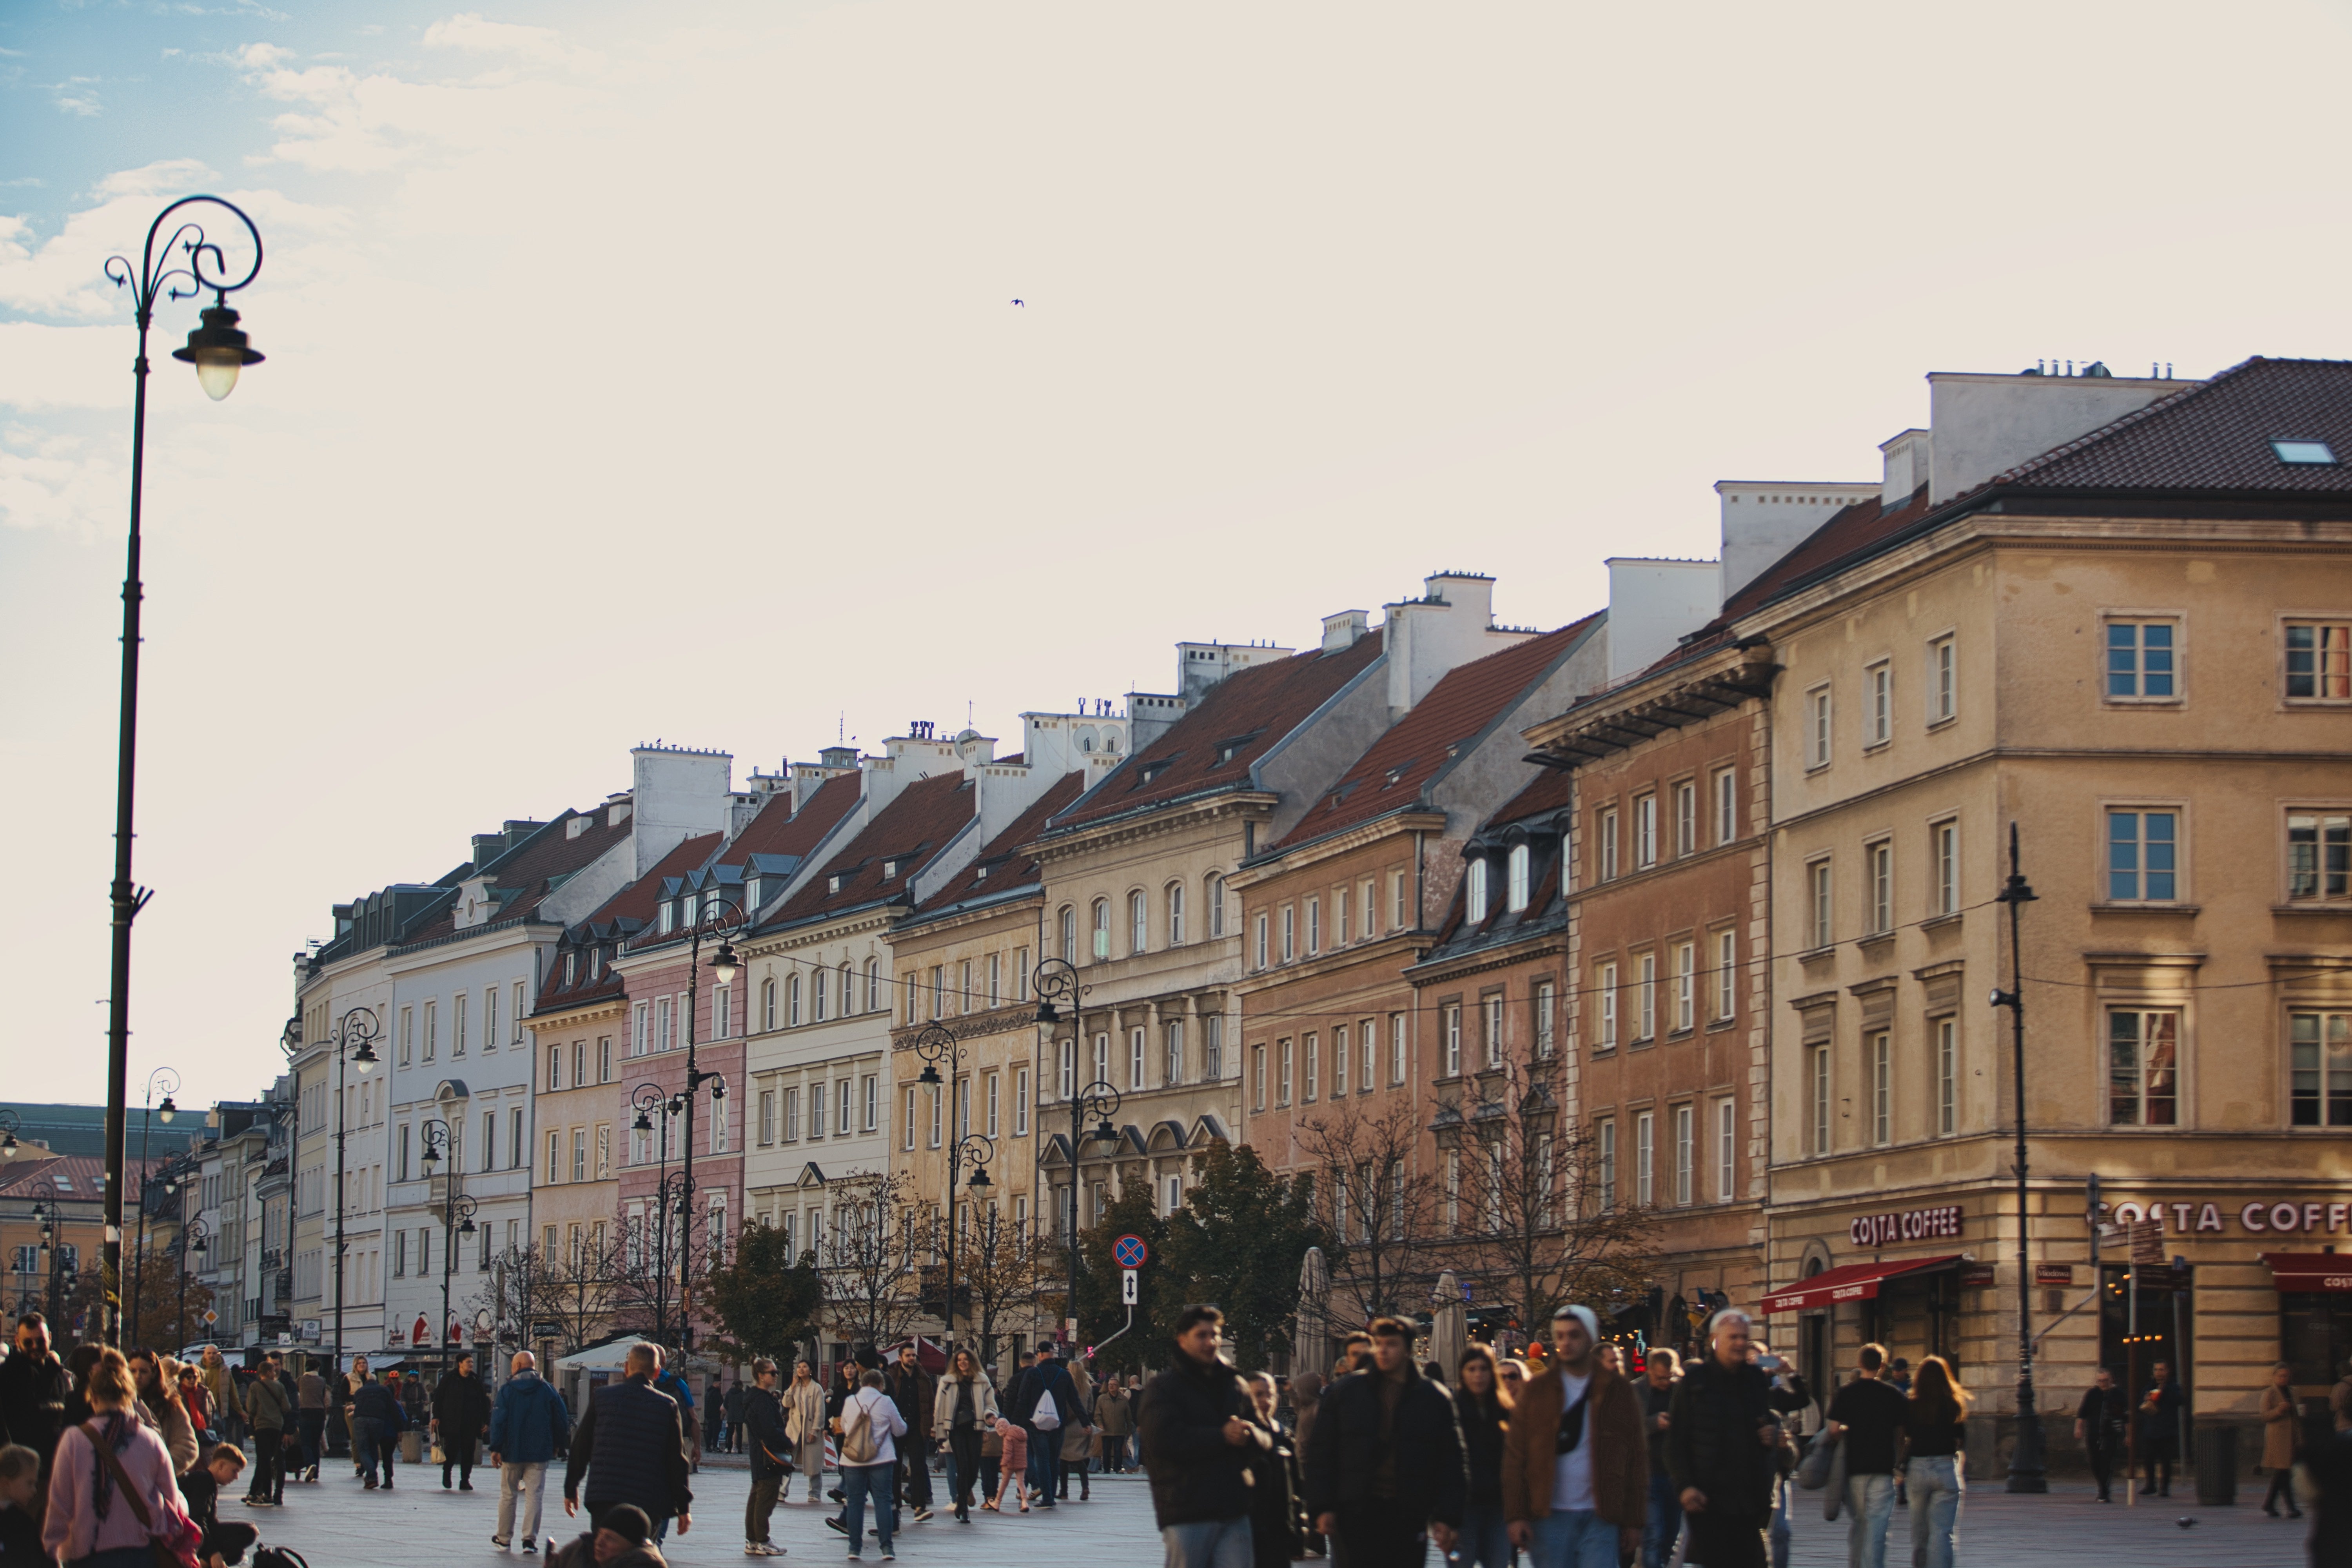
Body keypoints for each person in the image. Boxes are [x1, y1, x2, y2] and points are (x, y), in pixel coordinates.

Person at [1303, 1315, 1466, 1568]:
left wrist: (1447, 1517)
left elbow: (1451, 1461)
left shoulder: (1433, 1398)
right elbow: (1322, 1452)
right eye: (1379, 1343)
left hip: (1408, 1511)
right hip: (1356, 1508)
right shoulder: (1346, 1392)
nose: (1383, 1350)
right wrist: (1322, 1506)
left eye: (1391, 1344)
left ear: (1408, 1350)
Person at [1499, 1305, 1643, 1568]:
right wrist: (1516, 1514)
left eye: (1575, 1335)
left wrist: (1634, 1521)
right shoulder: (1538, 1390)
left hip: (1601, 1514)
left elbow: (1636, 1458)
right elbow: (1516, 1455)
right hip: (1549, 1514)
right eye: (1561, 1336)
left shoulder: (1616, 1390)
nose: (1567, 1342)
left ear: (1590, 1338)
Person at [41, 1347, 197, 1568]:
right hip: (141, 1551)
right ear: (129, 1397)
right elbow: (171, 1499)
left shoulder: (74, 1440)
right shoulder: (151, 1440)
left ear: (92, 1397)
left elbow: (60, 1502)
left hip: (86, 1551)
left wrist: (52, 1548)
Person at [1139, 1304, 1266, 1568]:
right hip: (1187, 1508)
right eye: (1202, 1335)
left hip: (1234, 1507)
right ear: (1182, 1339)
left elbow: (1264, 1436)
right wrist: (1221, 1437)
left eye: (1216, 1334)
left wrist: (1249, 1435)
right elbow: (1161, 1441)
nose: (1211, 1342)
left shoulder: (1235, 1384)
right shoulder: (1164, 1387)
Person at [1665, 1310, 1780, 1568]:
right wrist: (1685, 1486)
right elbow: (1675, 1441)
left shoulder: (1755, 1380)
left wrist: (1768, 1436)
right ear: (1716, 1340)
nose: (1740, 1343)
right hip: (1709, 1501)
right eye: (1734, 1337)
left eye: (1744, 1338)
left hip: (1748, 1501)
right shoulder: (1695, 1381)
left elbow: (1764, 1424)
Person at [563, 1343, 693, 1543]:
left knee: (605, 1555)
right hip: (647, 1499)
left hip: (604, 1496)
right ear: (658, 1371)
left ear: (626, 1367)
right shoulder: (667, 1406)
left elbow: (581, 1446)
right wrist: (683, 1507)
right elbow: (676, 1461)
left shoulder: (602, 1397)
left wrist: (571, 1488)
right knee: (638, 1558)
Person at [1823, 1343, 1905, 1568]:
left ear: (1859, 1364)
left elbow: (1832, 1430)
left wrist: (1845, 1436)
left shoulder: (1846, 1393)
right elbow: (1902, 1432)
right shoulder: (1893, 1394)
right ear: (1882, 1366)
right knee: (1878, 1526)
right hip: (1882, 1467)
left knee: (1861, 1523)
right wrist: (1899, 1462)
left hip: (1855, 1468)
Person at [488, 1349, 573, 1554]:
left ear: (516, 1366)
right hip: (540, 1450)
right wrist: (559, 1444)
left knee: (508, 1494)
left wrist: (496, 1447)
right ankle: (529, 1540)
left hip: (512, 1450)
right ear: (534, 1367)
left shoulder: (507, 1390)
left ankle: (504, 1538)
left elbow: (499, 1421)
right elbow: (562, 1419)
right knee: (535, 1496)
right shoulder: (547, 1389)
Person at [1896, 1357, 1965, 1568]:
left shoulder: (1911, 1405)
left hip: (1917, 1469)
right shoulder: (1953, 1404)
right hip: (1944, 1467)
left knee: (1920, 1534)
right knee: (1942, 1532)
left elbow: (1905, 1435)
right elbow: (1961, 1439)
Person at [837, 1367, 907, 1561]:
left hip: (852, 1459)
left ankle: (854, 1548)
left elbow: (844, 1426)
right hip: (881, 1459)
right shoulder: (885, 1401)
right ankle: (887, 1548)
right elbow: (900, 1430)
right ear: (881, 1385)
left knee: (855, 1502)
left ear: (862, 1383)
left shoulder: (850, 1401)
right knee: (883, 1501)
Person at [1451, 1346, 1511, 1568]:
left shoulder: (1505, 1410)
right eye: (1472, 1369)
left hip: (1499, 1505)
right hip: (1464, 1507)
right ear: (1462, 1373)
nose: (1478, 1375)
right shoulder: (1452, 1410)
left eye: (1484, 1369)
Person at [0, 1315, 71, 1486]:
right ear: (17, 1341)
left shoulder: (59, 1375)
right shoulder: (6, 1376)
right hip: (19, 1479)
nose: (35, 1347)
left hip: (55, 1475)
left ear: (50, 1338)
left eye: (40, 1341)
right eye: (28, 1342)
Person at [931, 1348, 996, 1523]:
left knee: (974, 1470)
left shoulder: (982, 1381)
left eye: (966, 1360)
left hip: (975, 1427)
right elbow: (939, 1407)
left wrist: (990, 1415)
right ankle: (964, 1508)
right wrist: (938, 1432)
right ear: (956, 1363)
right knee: (963, 1467)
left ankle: (961, 1500)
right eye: (959, 1360)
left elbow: (991, 1404)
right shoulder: (947, 1382)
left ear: (971, 1362)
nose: (962, 1363)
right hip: (956, 1428)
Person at [1011, 1345, 1080, 1509]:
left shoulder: (1033, 1373)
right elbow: (1074, 1401)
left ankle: (1048, 1497)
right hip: (1058, 1423)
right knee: (1054, 1460)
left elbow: (1022, 1399)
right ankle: (1051, 1495)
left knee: (1041, 1459)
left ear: (1040, 1355)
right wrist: (1085, 1422)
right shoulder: (1064, 1374)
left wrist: (1014, 1422)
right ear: (1052, 1354)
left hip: (1037, 1424)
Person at [1242, 1374, 1298, 1568]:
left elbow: (1295, 1487)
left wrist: (1297, 1533)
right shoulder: (1239, 1434)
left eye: (1271, 1395)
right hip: (1247, 1531)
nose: (1266, 1401)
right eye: (1258, 1395)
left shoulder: (1284, 1434)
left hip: (1279, 1531)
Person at [1636, 1348, 1681, 1568]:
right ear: (1650, 1371)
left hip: (1675, 1475)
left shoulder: (1681, 1391)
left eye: (1670, 1376)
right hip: (1647, 1475)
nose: (1666, 1381)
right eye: (1661, 1377)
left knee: (1670, 1536)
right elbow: (1626, 1429)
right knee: (1653, 1534)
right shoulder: (1636, 1391)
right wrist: (1653, 1424)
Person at [739, 1359, 789, 1557]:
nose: (776, 1376)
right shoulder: (762, 1400)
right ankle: (762, 1540)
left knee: (757, 1494)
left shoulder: (754, 1398)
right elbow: (770, 1430)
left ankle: (752, 1540)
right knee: (766, 1497)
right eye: (772, 1372)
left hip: (759, 1453)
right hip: (768, 1455)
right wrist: (786, 1441)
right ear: (761, 1375)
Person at [126, 1352, 197, 1478]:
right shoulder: (119, 1404)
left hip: (162, 1484)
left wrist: (161, 1469)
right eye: (133, 1371)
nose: (138, 1376)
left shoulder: (171, 1405)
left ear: (154, 1374)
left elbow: (187, 1446)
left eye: (144, 1371)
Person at [885, 1343, 935, 1522]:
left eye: (914, 1355)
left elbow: (929, 1404)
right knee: (895, 1468)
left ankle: (920, 1507)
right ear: (900, 1358)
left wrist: (929, 1427)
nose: (912, 1358)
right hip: (896, 1427)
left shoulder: (923, 1378)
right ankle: (896, 1507)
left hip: (916, 1427)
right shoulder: (891, 1376)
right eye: (908, 1355)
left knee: (919, 1466)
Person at [240, 1352, 292, 1508]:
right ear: (270, 1372)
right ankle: (261, 1492)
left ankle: (267, 1494)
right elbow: (287, 1407)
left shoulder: (255, 1386)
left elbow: (251, 1408)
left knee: (263, 1460)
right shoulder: (280, 1386)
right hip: (277, 1426)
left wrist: (254, 1418)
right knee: (274, 1459)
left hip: (262, 1426)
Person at [434, 1352, 492, 1492]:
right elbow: (439, 1397)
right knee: (451, 1450)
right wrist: (436, 1417)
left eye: (472, 1362)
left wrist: (486, 1421)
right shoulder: (450, 1379)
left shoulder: (476, 1380)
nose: (471, 1365)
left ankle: (465, 1480)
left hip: (471, 1423)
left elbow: (484, 1402)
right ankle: (447, 1474)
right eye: (468, 1362)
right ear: (460, 1364)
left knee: (468, 1452)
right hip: (452, 1421)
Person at [547, 1502, 668, 1568]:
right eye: (600, 1534)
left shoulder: (645, 1564)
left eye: (611, 1538)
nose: (599, 1542)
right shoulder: (580, 1550)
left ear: (632, 1546)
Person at [2072, 1368, 2127, 1504]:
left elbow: (2127, 1417)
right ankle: (2103, 1487)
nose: (2103, 1383)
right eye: (2100, 1381)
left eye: (2105, 1381)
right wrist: (2078, 1428)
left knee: (2107, 1462)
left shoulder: (2119, 1394)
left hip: (2112, 1433)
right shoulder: (2092, 1394)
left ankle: (2104, 1491)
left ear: (2111, 1380)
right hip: (2093, 1433)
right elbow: (2082, 1413)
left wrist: (2129, 1435)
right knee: (2094, 1462)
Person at [349, 1364, 405, 1491]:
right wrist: (399, 1429)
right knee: (373, 1446)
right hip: (377, 1420)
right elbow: (394, 1409)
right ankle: (371, 1476)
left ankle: (372, 1476)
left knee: (363, 1449)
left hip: (360, 1419)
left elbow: (355, 1404)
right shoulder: (384, 1390)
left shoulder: (360, 1391)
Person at [2137, 1360, 2184, 1498]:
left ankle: (2164, 1487)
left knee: (2166, 1461)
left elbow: (2180, 1401)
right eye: (2156, 1370)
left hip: (2167, 1430)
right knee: (2149, 1460)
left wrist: (2166, 1390)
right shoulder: (2148, 1387)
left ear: (2167, 1371)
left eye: (2162, 1370)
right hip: (2151, 1430)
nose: (2159, 1372)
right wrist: (2146, 1399)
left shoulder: (2173, 1387)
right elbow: (2140, 1405)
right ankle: (2150, 1485)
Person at [2263, 1361, 2304, 1519]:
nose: (2284, 1379)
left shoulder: (2293, 1392)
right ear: (2274, 1377)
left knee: (2283, 1473)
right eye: (2281, 1376)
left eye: (2286, 1376)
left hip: (2292, 1438)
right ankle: (2290, 1507)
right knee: (2283, 1472)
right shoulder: (2270, 1393)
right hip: (2278, 1439)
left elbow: (2297, 1414)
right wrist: (2279, 1410)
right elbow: (2264, 1416)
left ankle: (2270, 1504)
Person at [784, 1363, 829, 1505]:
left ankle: (814, 1493)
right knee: (786, 1459)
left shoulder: (817, 1388)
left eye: (804, 1367)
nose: (801, 1369)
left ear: (810, 1371)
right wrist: (792, 1386)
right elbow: (786, 1403)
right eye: (799, 1367)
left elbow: (820, 1412)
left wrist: (815, 1430)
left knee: (813, 1461)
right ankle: (782, 1490)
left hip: (810, 1425)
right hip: (795, 1427)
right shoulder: (796, 1387)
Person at [1057, 1354, 1095, 1503]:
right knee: (1079, 1459)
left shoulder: (1066, 1385)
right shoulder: (1088, 1387)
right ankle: (1085, 1487)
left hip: (1067, 1427)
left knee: (1063, 1459)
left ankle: (1064, 1491)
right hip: (1082, 1426)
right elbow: (1091, 1408)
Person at [0, 1443, 45, 1566]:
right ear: (6, 1483)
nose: (35, 1490)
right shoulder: (22, 1524)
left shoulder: (25, 1523)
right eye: (29, 1483)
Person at [1094, 1373, 1134, 1475]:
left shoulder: (1124, 1400)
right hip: (1106, 1431)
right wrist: (1100, 1425)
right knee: (1106, 1452)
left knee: (1118, 1451)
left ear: (1118, 1386)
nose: (1112, 1386)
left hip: (1119, 1430)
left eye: (1114, 1385)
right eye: (1110, 1384)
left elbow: (1128, 1416)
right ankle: (1107, 1470)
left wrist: (1129, 1429)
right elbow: (1097, 1415)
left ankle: (1118, 1469)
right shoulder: (1102, 1399)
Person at [987, 1416, 1027, 1514]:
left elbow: (1008, 1453)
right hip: (1021, 1463)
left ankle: (997, 1503)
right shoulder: (1021, 1433)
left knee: (1004, 1484)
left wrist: (1003, 1464)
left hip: (1010, 1465)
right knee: (1021, 1483)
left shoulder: (1008, 1437)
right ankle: (1025, 1502)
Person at [295, 1362, 327, 1483]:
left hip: (305, 1413)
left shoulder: (301, 1380)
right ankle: (316, 1473)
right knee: (315, 1443)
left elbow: (296, 1393)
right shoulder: (322, 1381)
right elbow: (323, 1396)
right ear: (317, 1368)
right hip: (319, 1414)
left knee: (306, 1443)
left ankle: (310, 1464)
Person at [724, 1380, 748, 1459]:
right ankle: (739, 1449)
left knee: (730, 1433)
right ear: (740, 1386)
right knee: (739, 1433)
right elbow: (746, 1404)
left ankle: (729, 1448)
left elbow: (725, 1404)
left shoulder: (729, 1393)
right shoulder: (743, 1394)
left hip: (731, 1415)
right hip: (740, 1415)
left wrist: (730, 1410)